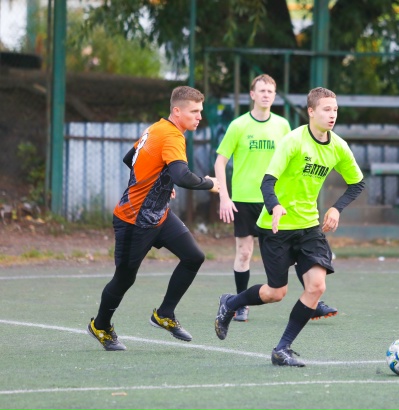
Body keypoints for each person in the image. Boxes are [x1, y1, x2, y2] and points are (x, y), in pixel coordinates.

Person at [214, 87, 365, 366]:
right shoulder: (293, 141)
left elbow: (357, 183)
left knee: (316, 286)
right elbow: (267, 182)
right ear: (311, 112)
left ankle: (282, 349)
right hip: (277, 227)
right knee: (276, 293)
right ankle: (231, 303)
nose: (332, 115)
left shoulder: (338, 146)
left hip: (309, 226)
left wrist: (336, 208)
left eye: (335, 110)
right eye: (326, 109)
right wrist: (275, 206)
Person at [87, 86, 219, 351]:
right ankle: (100, 326)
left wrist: (161, 182)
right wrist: (209, 183)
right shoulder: (172, 136)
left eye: (200, 111)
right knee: (124, 279)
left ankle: (164, 314)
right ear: (177, 111)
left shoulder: (156, 128)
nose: (199, 117)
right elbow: (183, 177)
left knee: (194, 256)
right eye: (194, 111)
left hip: (159, 216)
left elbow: (130, 158)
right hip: (133, 220)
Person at [214, 74, 338, 322]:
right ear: (252, 94)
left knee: (298, 248)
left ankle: (313, 300)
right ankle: (239, 304)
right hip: (245, 198)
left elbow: (297, 154)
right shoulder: (238, 125)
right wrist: (224, 198)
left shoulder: (282, 125)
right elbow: (220, 161)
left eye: (270, 91)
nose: (266, 95)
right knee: (244, 253)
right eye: (261, 91)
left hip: (277, 200)